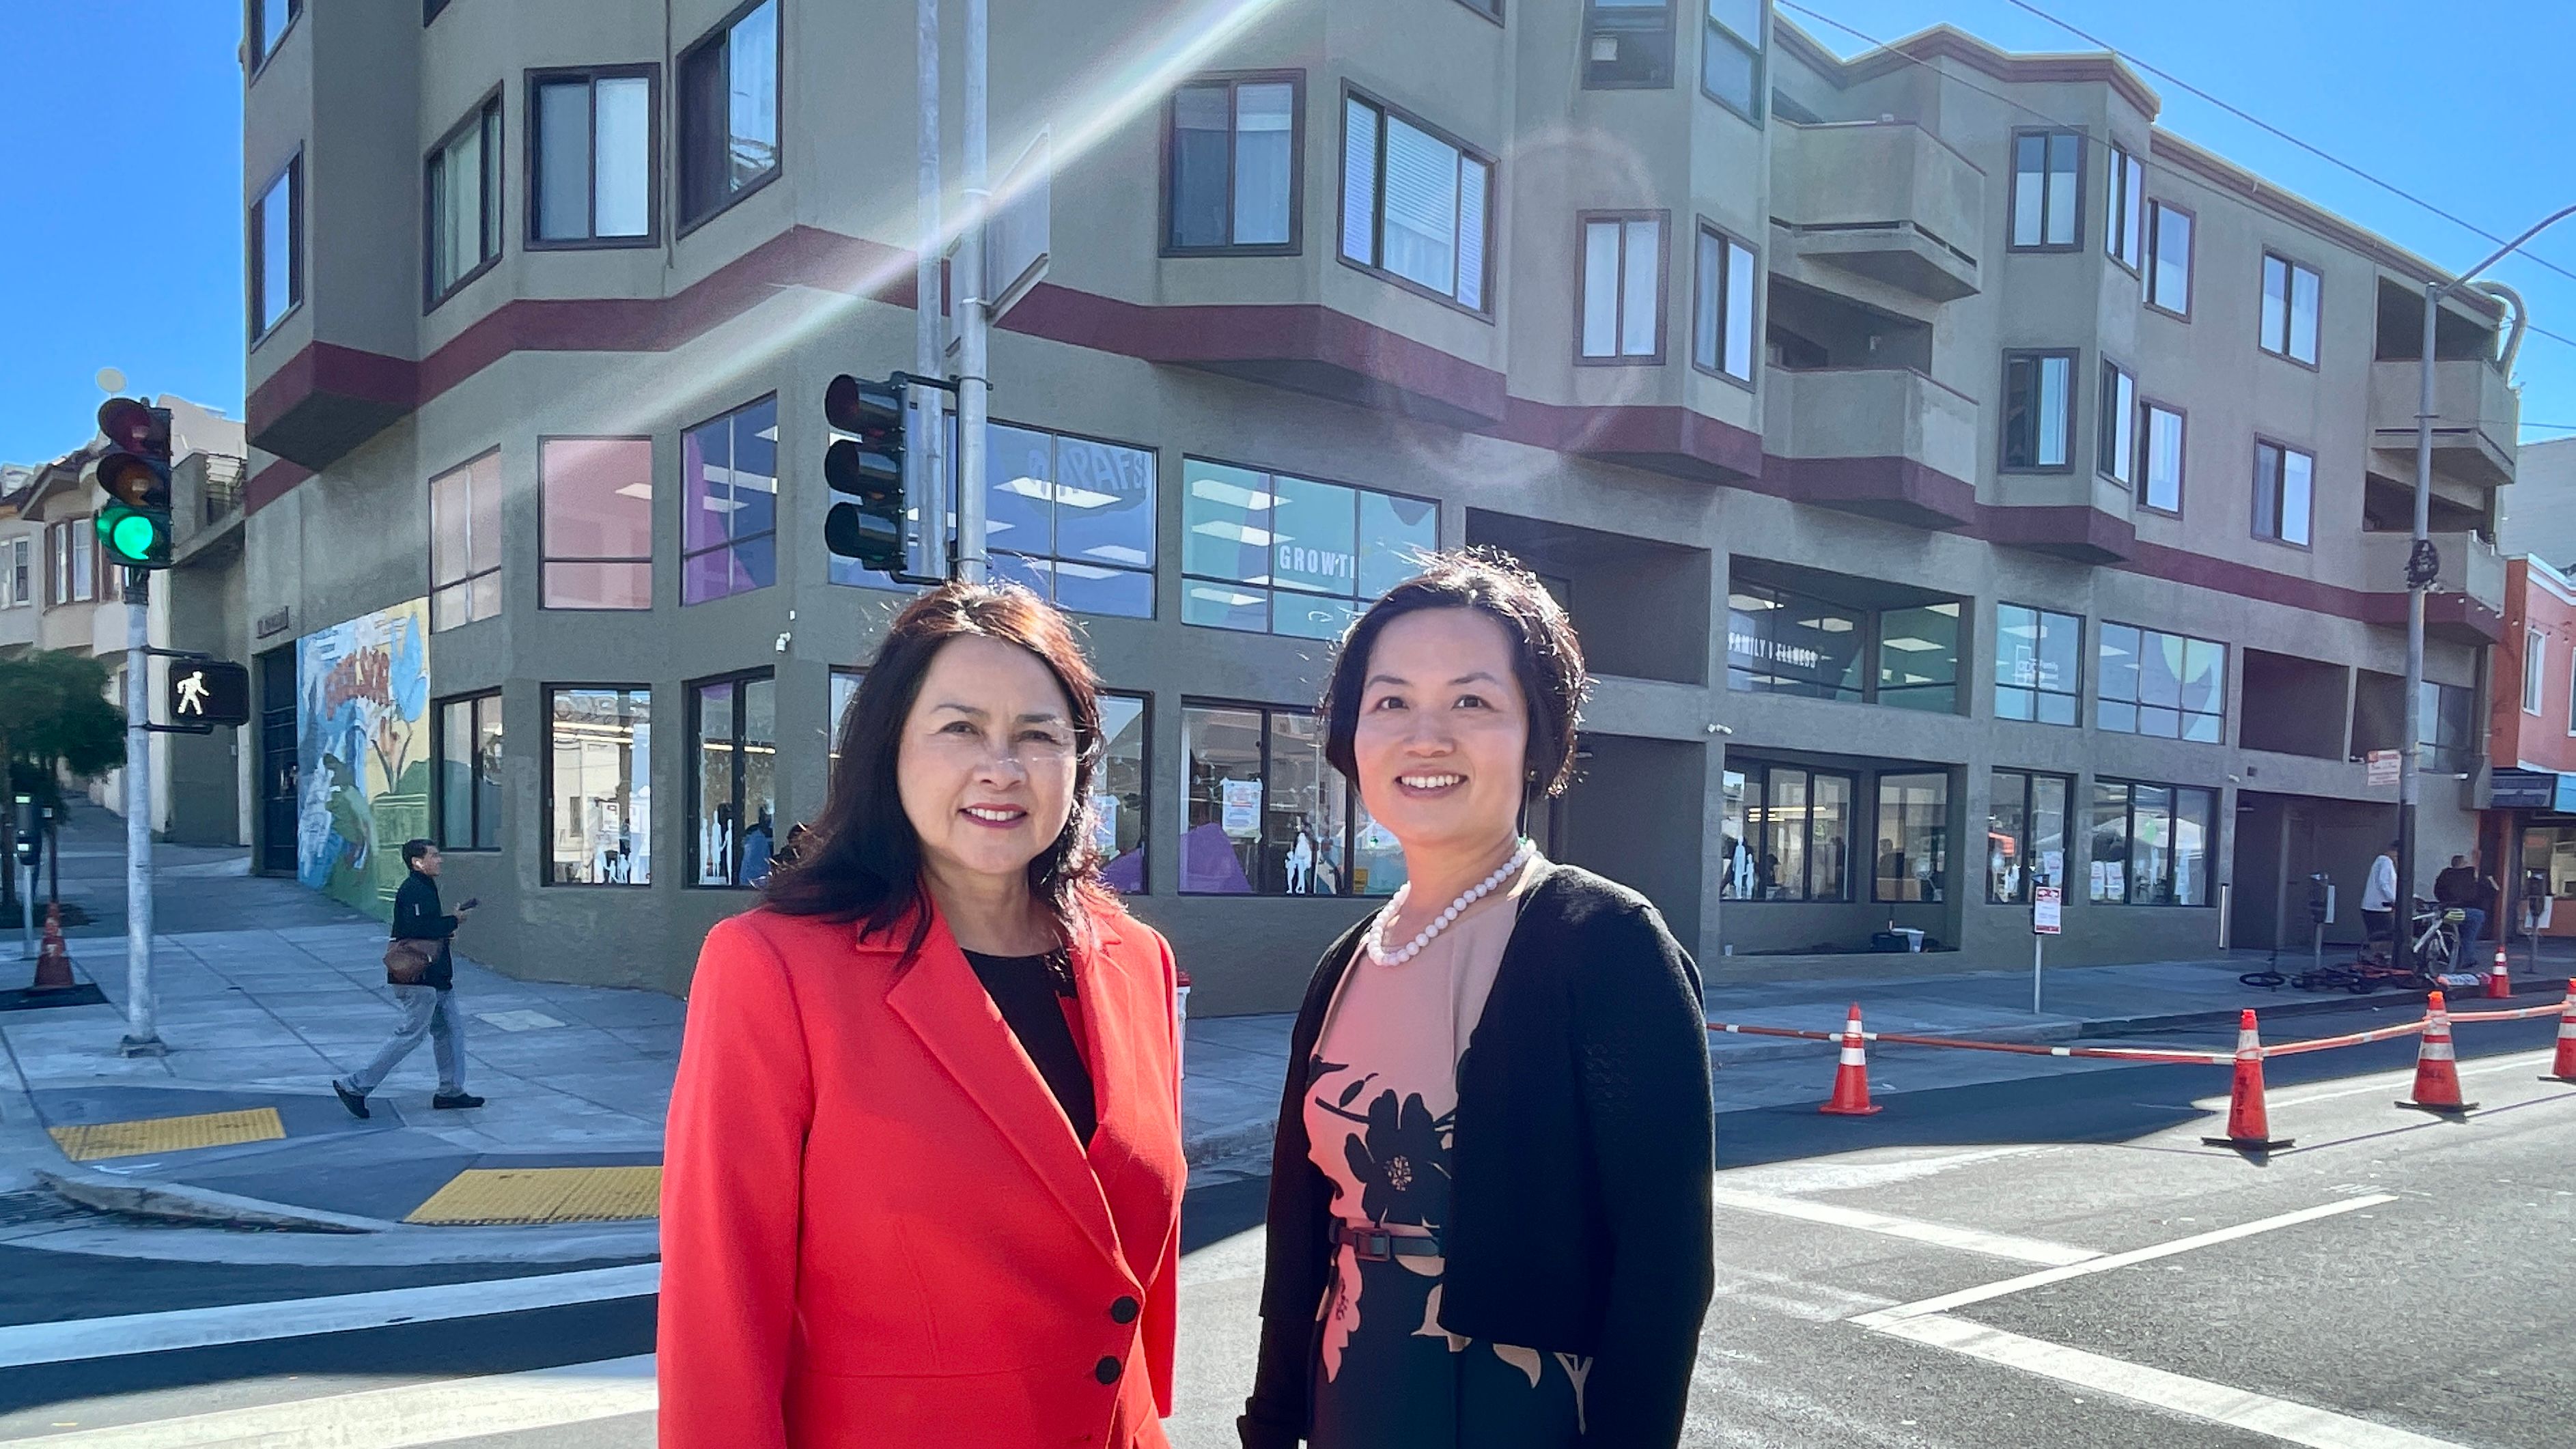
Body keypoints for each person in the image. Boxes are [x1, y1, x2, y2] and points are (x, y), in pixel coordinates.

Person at [659, 581, 1186, 1449]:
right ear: (888, 748)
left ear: (1079, 761)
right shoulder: (774, 967)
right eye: (960, 728)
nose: (1001, 767)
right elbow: (719, 1298)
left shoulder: (1137, 961)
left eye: (1038, 734)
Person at [1239, 551, 1714, 1449]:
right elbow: (1299, 1234)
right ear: (1351, 735)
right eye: (1390, 702)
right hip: (1353, 1385)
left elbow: (1665, 1264)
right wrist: (1271, 1420)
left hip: (1521, 1406)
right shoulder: (1348, 960)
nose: (1426, 736)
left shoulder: (1606, 941)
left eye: (1472, 701)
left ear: (1539, 735)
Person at [333, 839, 481, 1118]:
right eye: (434, 856)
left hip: (435, 977)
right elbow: (419, 928)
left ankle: (450, 1091)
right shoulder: (414, 889)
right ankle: (355, 1086)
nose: (440, 860)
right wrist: (454, 921)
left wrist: (448, 925)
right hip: (418, 980)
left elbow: (425, 928)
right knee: (411, 1035)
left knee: (450, 1033)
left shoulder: (424, 887)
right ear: (417, 862)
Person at [2433, 852, 2486, 961]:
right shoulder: (2470, 873)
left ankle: (2447, 956)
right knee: (2469, 935)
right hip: (2468, 910)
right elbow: (2477, 893)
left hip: (2448, 910)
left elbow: (2437, 892)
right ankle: (2467, 959)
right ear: (2463, 864)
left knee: (2448, 932)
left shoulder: (2444, 875)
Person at [2360, 838, 2401, 953]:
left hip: (2373, 907)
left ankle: (2375, 956)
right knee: (2384, 937)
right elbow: (2383, 883)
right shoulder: (2385, 862)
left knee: (2377, 937)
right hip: (2379, 908)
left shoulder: (2381, 861)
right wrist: (2394, 900)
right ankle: (2379, 956)